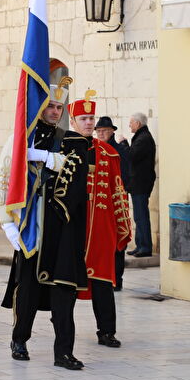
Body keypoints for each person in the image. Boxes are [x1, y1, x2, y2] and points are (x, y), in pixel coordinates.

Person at [0, 77, 90, 371]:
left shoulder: (73, 141)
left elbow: (77, 176)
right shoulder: (22, 139)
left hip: (62, 230)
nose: (56, 111)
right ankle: (19, 340)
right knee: (29, 292)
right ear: (41, 107)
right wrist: (7, 223)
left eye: (60, 107)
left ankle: (64, 353)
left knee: (64, 292)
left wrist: (47, 158)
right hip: (32, 230)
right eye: (51, 106)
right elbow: (4, 181)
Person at [69, 95, 131, 348]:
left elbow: (118, 190)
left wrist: (121, 225)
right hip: (72, 229)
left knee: (104, 282)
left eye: (91, 118)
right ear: (73, 121)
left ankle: (106, 331)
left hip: (101, 229)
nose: (88, 123)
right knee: (66, 283)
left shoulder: (108, 153)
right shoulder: (62, 148)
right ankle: (63, 330)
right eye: (83, 119)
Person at [95, 116, 131, 290]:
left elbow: (125, 176)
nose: (101, 134)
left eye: (104, 131)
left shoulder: (119, 151)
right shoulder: (95, 149)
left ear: (112, 131)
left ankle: (117, 278)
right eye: (99, 131)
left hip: (116, 199)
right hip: (101, 200)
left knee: (118, 240)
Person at [127, 112, 157, 258]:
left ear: (138, 124)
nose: (129, 125)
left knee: (141, 215)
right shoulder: (142, 136)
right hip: (138, 182)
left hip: (141, 183)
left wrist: (123, 144)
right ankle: (140, 245)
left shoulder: (143, 138)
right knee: (138, 215)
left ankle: (145, 247)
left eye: (131, 122)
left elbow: (132, 156)